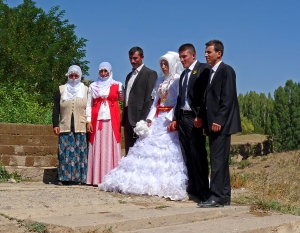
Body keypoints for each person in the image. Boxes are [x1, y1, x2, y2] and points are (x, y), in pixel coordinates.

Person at [99, 51, 187, 201]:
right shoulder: (159, 80)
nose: (164, 67)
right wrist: (149, 119)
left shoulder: (178, 80)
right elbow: (155, 102)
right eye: (162, 64)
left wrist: (172, 118)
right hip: (158, 117)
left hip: (169, 118)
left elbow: (179, 101)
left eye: (166, 64)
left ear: (173, 64)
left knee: (167, 152)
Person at [198, 40, 242, 208]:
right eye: (206, 52)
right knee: (219, 160)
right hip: (212, 124)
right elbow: (208, 99)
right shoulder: (210, 72)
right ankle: (224, 196)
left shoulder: (226, 71)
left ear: (219, 53)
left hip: (221, 124)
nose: (206, 55)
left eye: (209, 52)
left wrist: (218, 120)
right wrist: (206, 123)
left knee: (217, 161)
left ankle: (216, 196)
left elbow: (227, 98)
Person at [168, 43, 211, 202]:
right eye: (180, 57)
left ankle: (203, 190)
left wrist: (201, 116)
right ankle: (193, 187)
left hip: (195, 118)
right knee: (187, 154)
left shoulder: (202, 69)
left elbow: (204, 96)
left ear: (193, 55)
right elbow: (180, 98)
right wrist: (175, 119)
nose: (182, 59)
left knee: (198, 154)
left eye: (184, 56)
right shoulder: (183, 75)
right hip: (182, 117)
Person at [86, 62, 124, 185]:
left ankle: (113, 177)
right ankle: (97, 178)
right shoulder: (93, 86)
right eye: (101, 71)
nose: (103, 73)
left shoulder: (117, 85)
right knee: (97, 146)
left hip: (112, 119)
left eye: (105, 71)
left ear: (110, 71)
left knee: (111, 145)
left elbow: (125, 99)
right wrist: (88, 120)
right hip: (97, 120)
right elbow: (88, 104)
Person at [52, 65, 88, 185]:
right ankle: (63, 178)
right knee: (65, 153)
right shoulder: (62, 89)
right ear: (68, 75)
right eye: (71, 75)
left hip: (80, 126)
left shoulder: (86, 89)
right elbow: (56, 108)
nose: (73, 78)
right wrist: (55, 124)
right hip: (65, 126)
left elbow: (89, 108)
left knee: (79, 153)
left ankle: (79, 178)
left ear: (80, 76)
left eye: (76, 75)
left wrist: (89, 122)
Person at [123, 46, 158, 155]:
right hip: (128, 117)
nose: (132, 61)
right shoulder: (129, 76)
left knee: (140, 150)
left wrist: (144, 120)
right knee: (129, 149)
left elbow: (149, 98)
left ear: (142, 57)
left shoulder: (150, 73)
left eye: (135, 58)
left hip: (139, 118)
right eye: (130, 58)